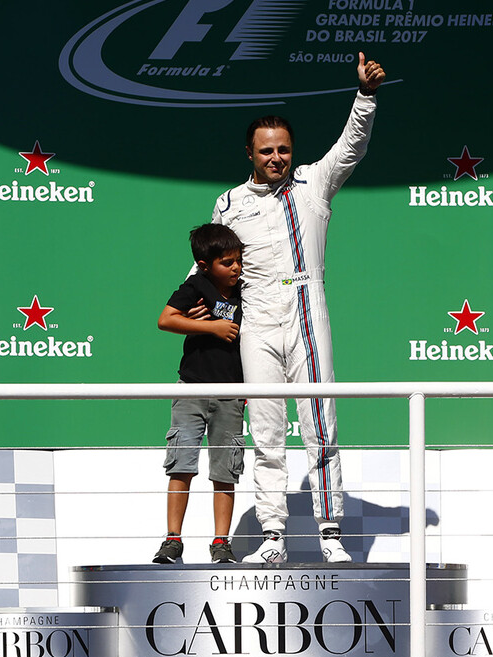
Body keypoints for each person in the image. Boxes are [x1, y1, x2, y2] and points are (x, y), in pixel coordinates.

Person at [210, 52, 386, 563]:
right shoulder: (229, 202)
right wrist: (192, 306)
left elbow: (351, 147)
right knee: (266, 430)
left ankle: (330, 535)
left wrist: (366, 97)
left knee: (321, 425)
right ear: (249, 152)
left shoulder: (314, 183)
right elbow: (210, 264)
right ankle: (272, 537)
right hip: (257, 318)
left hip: (307, 309)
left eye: (284, 149)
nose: (277, 158)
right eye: (267, 151)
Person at [153, 223, 247, 564]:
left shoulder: (246, 292)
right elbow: (166, 319)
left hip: (232, 394)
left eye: (238, 260)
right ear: (205, 265)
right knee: (181, 464)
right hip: (192, 388)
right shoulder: (195, 286)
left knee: (226, 471)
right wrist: (211, 327)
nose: (236, 268)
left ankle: (221, 542)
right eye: (227, 262)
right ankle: (172, 540)